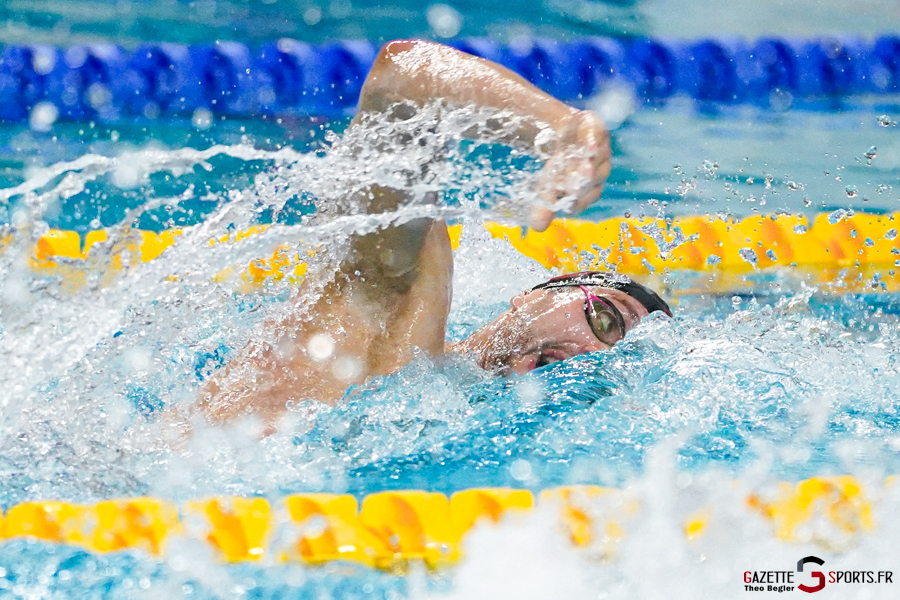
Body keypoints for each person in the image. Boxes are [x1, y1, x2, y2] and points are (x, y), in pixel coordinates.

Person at [197, 39, 670, 428]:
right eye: (606, 320)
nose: (592, 356)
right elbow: (400, 79)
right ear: (536, 294)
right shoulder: (400, 298)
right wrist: (561, 127)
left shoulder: (458, 416)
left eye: (613, 361)